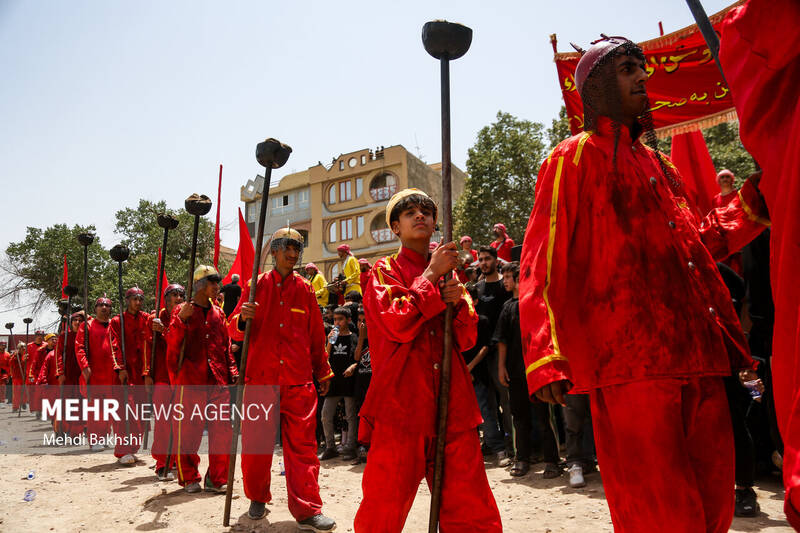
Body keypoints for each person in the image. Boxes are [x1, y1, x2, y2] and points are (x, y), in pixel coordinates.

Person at [519, 36, 769, 532]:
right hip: (630, 364)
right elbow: (539, 264)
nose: (642, 79)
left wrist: (755, 199)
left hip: (699, 353)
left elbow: (699, 246)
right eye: (629, 69)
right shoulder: (569, 159)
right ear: (594, 87)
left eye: (643, 69)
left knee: (713, 501)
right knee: (658, 510)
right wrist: (546, 354)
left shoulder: (662, 167)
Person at [354, 188, 502, 532]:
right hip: (401, 404)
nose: (420, 216)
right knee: (384, 504)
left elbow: (466, 338)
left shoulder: (453, 275)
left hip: (453, 402)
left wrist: (457, 303)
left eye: (426, 211)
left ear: (435, 223)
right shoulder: (383, 272)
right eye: (409, 213)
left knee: (469, 503)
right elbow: (397, 322)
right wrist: (430, 278)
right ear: (395, 228)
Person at [227, 227, 336, 531]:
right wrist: (241, 318)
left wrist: (323, 370)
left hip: (299, 381)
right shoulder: (254, 287)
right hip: (260, 380)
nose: (292, 254)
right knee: (256, 445)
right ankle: (257, 498)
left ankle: (307, 510)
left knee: (303, 448)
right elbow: (231, 330)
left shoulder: (305, 289)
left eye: (297, 249)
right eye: (287, 248)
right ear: (273, 251)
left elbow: (316, 336)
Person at [165, 266, 238, 494]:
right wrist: (180, 321)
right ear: (199, 285)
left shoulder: (219, 312)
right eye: (213, 283)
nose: (217, 287)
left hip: (217, 380)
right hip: (190, 380)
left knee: (223, 431)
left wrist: (232, 370)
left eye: (218, 283)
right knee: (188, 431)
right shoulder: (181, 310)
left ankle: (216, 479)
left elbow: (225, 345)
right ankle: (189, 477)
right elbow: (172, 344)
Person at [495, 261, 560, 478]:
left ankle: (552, 460)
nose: (505, 281)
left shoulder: (535, 303)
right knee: (519, 417)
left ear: (518, 279)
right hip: (515, 372)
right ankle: (521, 458)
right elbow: (501, 341)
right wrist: (501, 367)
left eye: (508, 277)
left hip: (537, 371)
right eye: (503, 278)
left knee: (543, 417)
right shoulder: (506, 308)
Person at [475, 245, 514, 466]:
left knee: (506, 402)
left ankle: (511, 445)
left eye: (487, 259)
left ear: (496, 260)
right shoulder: (478, 288)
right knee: (487, 403)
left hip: (502, 352)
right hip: (482, 355)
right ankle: (493, 444)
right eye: (480, 260)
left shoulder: (503, 286)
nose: (483, 263)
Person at [109, 287, 153, 465]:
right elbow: (114, 345)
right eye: (134, 299)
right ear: (127, 300)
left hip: (142, 373)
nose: (138, 302)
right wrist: (120, 367)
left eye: (140, 299)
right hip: (125, 372)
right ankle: (122, 450)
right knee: (125, 412)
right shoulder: (116, 321)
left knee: (141, 413)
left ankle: (133, 448)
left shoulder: (146, 319)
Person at [148, 283, 185, 480]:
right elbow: (147, 346)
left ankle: (180, 462)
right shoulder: (156, 317)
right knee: (163, 421)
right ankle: (163, 462)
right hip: (163, 377)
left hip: (181, 377)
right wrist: (147, 373)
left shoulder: (186, 315)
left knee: (182, 422)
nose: (178, 298)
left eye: (181, 294)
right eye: (174, 294)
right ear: (166, 298)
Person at [75, 295, 116, 450]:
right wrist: (85, 367)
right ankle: (95, 439)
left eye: (107, 305)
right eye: (101, 305)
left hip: (112, 373)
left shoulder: (115, 324)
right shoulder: (87, 326)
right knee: (96, 409)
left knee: (110, 408)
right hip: (95, 373)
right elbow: (79, 348)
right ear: (95, 308)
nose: (104, 308)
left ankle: (105, 436)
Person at [319, 306, 358, 461]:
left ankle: (350, 446)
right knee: (325, 415)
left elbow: (356, 357)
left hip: (348, 381)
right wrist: (330, 341)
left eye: (340, 319)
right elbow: (326, 356)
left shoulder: (353, 337)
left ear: (348, 320)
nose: (337, 322)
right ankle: (330, 447)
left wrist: (352, 367)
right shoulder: (332, 336)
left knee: (350, 415)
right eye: (335, 319)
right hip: (334, 382)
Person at [54, 311, 85, 437]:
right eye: (75, 321)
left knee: (79, 404)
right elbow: (58, 355)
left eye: (80, 321)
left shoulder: (86, 336)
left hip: (81, 375)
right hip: (67, 376)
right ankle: (59, 431)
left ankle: (75, 433)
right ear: (71, 323)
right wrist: (60, 372)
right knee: (64, 404)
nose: (77, 323)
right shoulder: (64, 337)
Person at [351, 306, 371, 465]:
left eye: (365, 321)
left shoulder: (378, 337)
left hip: (374, 385)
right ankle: (361, 449)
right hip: (360, 384)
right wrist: (361, 339)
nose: (362, 324)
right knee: (359, 416)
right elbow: (357, 357)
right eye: (359, 321)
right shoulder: (357, 338)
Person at [26, 330, 46, 417]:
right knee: (32, 391)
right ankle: (33, 409)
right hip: (31, 372)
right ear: (35, 336)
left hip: (42, 371)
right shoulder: (29, 346)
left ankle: (40, 409)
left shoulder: (45, 345)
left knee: (42, 391)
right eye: (38, 335)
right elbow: (23, 359)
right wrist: (24, 357)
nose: (40, 336)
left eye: (41, 335)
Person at [9, 341, 28, 412]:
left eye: (24, 347)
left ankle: (23, 402)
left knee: (25, 391)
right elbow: (11, 363)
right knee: (17, 392)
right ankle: (15, 407)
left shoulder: (26, 355)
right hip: (17, 376)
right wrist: (15, 357)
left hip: (25, 375)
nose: (23, 349)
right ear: (18, 349)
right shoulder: (15, 355)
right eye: (21, 347)